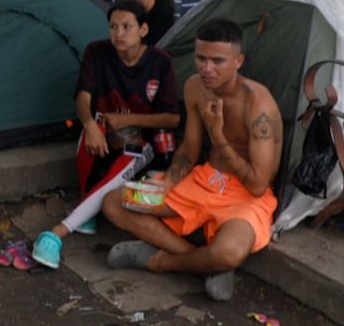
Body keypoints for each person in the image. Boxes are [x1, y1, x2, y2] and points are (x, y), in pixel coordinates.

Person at [100, 19, 282, 302]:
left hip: (244, 198)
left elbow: (258, 185)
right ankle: (204, 264)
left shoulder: (259, 105)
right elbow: (190, 147)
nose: (207, 69)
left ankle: (161, 261)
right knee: (115, 203)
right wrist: (169, 182)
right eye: (201, 58)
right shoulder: (195, 86)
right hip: (203, 182)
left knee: (228, 252)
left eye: (218, 61)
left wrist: (219, 136)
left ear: (238, 61)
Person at [30, 0, 181, 269]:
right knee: (92, 137)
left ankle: (57, 233)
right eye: (113, 27)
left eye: (127, 26)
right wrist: (88, 124)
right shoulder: (97, 52)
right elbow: (83, 95)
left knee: (119, 178)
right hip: (103, 130)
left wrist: (128, 119)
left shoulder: (160, 61)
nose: (119, 34)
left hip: (140, 140)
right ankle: (88, 204)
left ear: (143, 29)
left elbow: (172, 118)